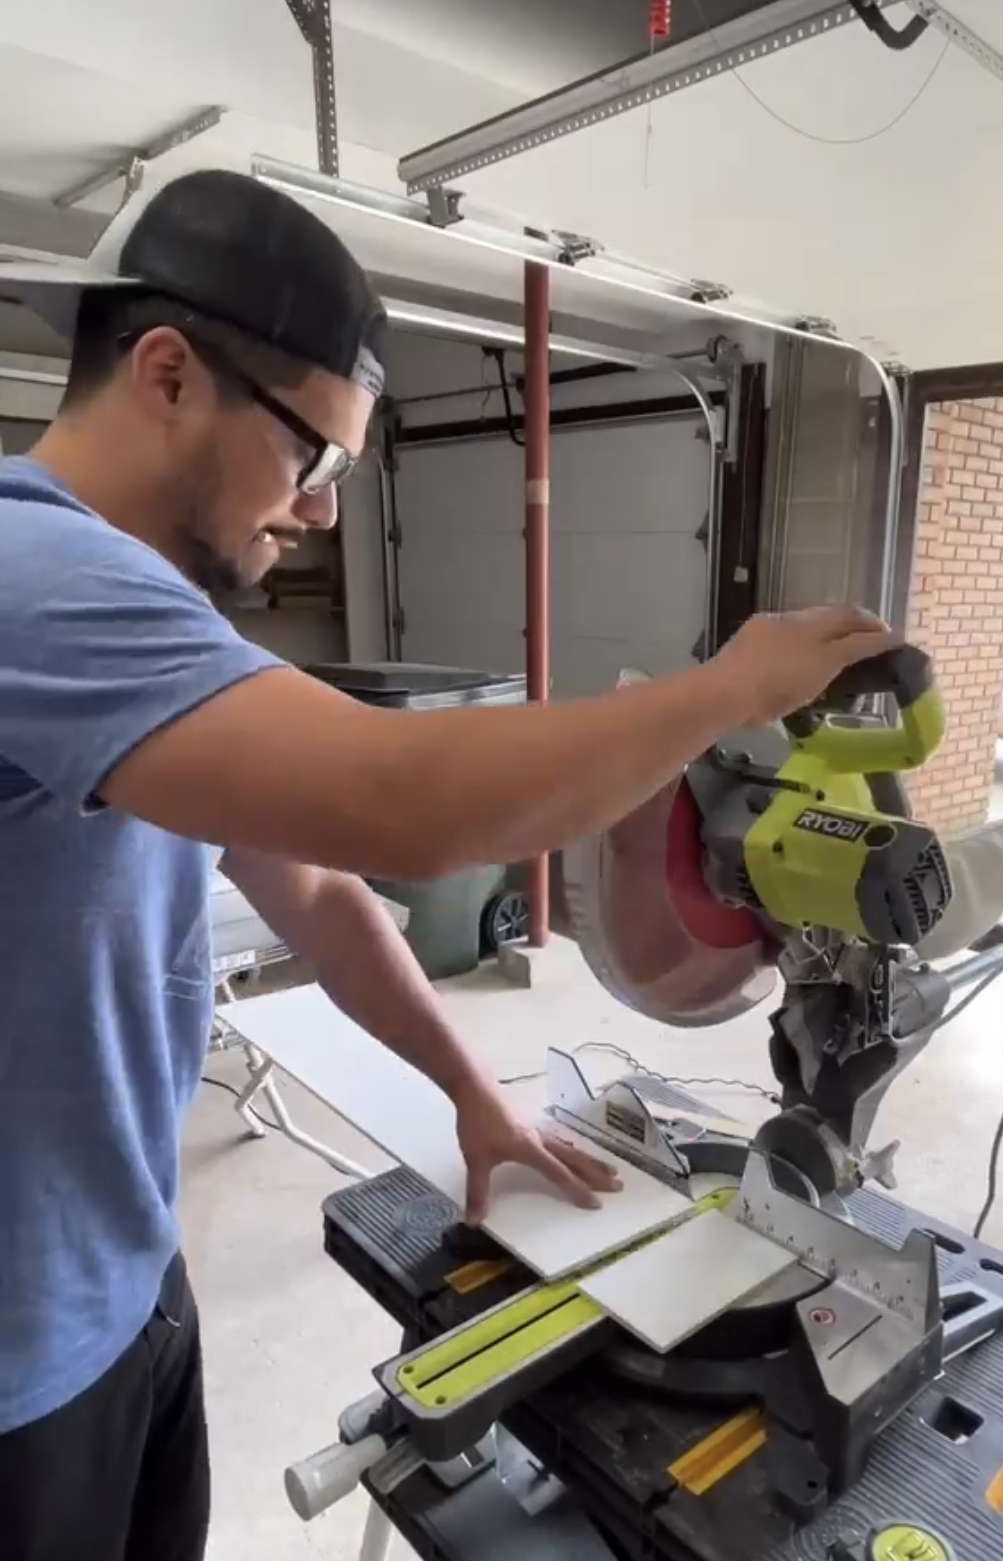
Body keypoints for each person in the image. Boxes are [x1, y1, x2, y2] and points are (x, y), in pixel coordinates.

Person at [0, 168, 892, 1561]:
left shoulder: (133, 618)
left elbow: (316, 888)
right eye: (315, 460)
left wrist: (475, 1092)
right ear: (167, 373)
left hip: (116, 1272)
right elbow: (397, 806)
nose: (320, 514)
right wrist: (726, 687)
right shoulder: (27, 575)